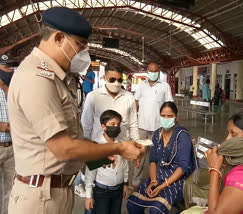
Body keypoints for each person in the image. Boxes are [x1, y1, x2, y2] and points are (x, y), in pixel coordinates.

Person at [7, 7, 143, 214]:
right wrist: (117, 148)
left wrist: (98, 156)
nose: (83, 54)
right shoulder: (36, 79)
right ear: (59, 38)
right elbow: (64, 148)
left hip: (55, 192)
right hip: (40, 199)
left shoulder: (56, 79)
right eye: (80, 45)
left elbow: (71, 137)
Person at [127, 102, 196, 214]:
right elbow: (153, 160)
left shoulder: (182, 136)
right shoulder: (157, 134)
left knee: (156, 210)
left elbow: (183, 167)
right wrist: (154, 181)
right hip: (159, 177)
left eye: (170, 116)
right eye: (163, 116)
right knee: (132, 204)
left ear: (176, 118)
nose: (166, 118)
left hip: (178, 180)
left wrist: (162, 186)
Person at [133, 62, 173, 189]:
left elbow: (169, 105)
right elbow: (136, 102)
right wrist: (134, 119)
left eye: (155, 71)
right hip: (142, 126)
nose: (153, 73)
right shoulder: (141, 86)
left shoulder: (164, 86)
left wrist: (169, 124)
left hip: (158, 127)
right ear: (147, 71)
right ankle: (135, 182)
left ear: (159, 71)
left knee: (158, 155)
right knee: (139, 154)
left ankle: (156, 181)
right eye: (151, 71)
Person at [81, 64, 139, 143]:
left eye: (119, 80)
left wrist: (136, 143)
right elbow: (86, 125)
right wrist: (86, 146)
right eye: (112, 80)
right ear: (104, 77)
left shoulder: (129, 97)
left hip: (122, 147)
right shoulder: (93, 97)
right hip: (99, 147)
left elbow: (133, 125)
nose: (116, 83)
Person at [85, 110, 128, 214]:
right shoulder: (97, 147)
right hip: (102, 192)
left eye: (118, 124)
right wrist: (88, 196)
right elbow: (90, 174)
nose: (116, 127)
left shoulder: (121, 145)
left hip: (118, 190)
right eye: (113, 124)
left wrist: (126, 183)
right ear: (103, 127)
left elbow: (125, 165)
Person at [0, 54, 17, 214]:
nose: (11, 70)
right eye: (7, 67)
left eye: (12, 67)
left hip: (12, 149)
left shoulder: (14, 91)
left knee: (11, 191)